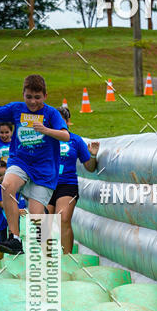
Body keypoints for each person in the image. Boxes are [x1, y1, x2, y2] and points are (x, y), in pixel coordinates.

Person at [0, 73, 69, 255]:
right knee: (6, 185)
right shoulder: (17, 109)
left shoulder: (51, 113)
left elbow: (65, 135)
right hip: (21, 161)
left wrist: (46, 130)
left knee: (35, 217)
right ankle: (15, 239)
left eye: (37, 97)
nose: (32, 102)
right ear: (23, 94)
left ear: (45, 96)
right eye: (29, 97)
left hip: (44, 169)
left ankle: (45, 232)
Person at [48, 106, 99, 253]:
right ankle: (46, 259)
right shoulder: (44, 140)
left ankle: (67, 258)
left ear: (67, 122)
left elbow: (90, 167)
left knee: (63, 218)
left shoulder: (75, 140)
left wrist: (93, 155)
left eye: (61, 122)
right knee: (43, 222)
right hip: (46, 184)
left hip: (67, 184)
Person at [0, 159, 27, 260]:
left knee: (14, 235)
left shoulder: (13, 184)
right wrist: (17, 211)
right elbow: (1, 203)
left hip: (13, 215)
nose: (3, 178)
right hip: (0, 217)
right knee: (2, 239)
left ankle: (13, 258)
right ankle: (0, 261)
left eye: (5, 174)